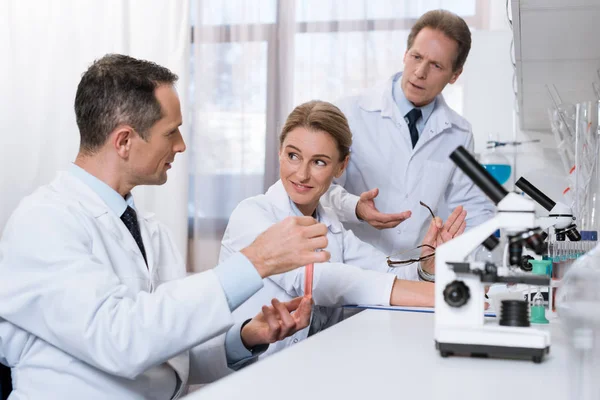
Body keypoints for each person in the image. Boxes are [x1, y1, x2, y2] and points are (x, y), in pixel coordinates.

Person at [0, 54, 331, 399]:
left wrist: (245, 338)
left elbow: (167, 355)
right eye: (170, 131)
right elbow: (122, 340)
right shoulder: (43, 222)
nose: (181, 145)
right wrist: (255, 262)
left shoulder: (148, 229)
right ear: (125, 141)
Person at [220, 100, 466, 357]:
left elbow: (386, 271)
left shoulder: (332, 229)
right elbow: (314, 280)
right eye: (293, 156)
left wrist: (425, 268)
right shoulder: (252, 216)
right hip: (251, 374)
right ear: (280, 152)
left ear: (341, 166)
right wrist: (445, 295)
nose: (302, 174)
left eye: (319, 162)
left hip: (311, 369)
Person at [322, 9, 495, 256]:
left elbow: (473, 211)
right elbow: (320, 188)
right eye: (416, 57)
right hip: (351, 269)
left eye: (436, 65)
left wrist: (485, 269)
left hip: (414, 274)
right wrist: (356, 208)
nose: (420, 72)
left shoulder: (459, 133)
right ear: (405, 54)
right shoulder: (350, 112)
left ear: (455, 75)